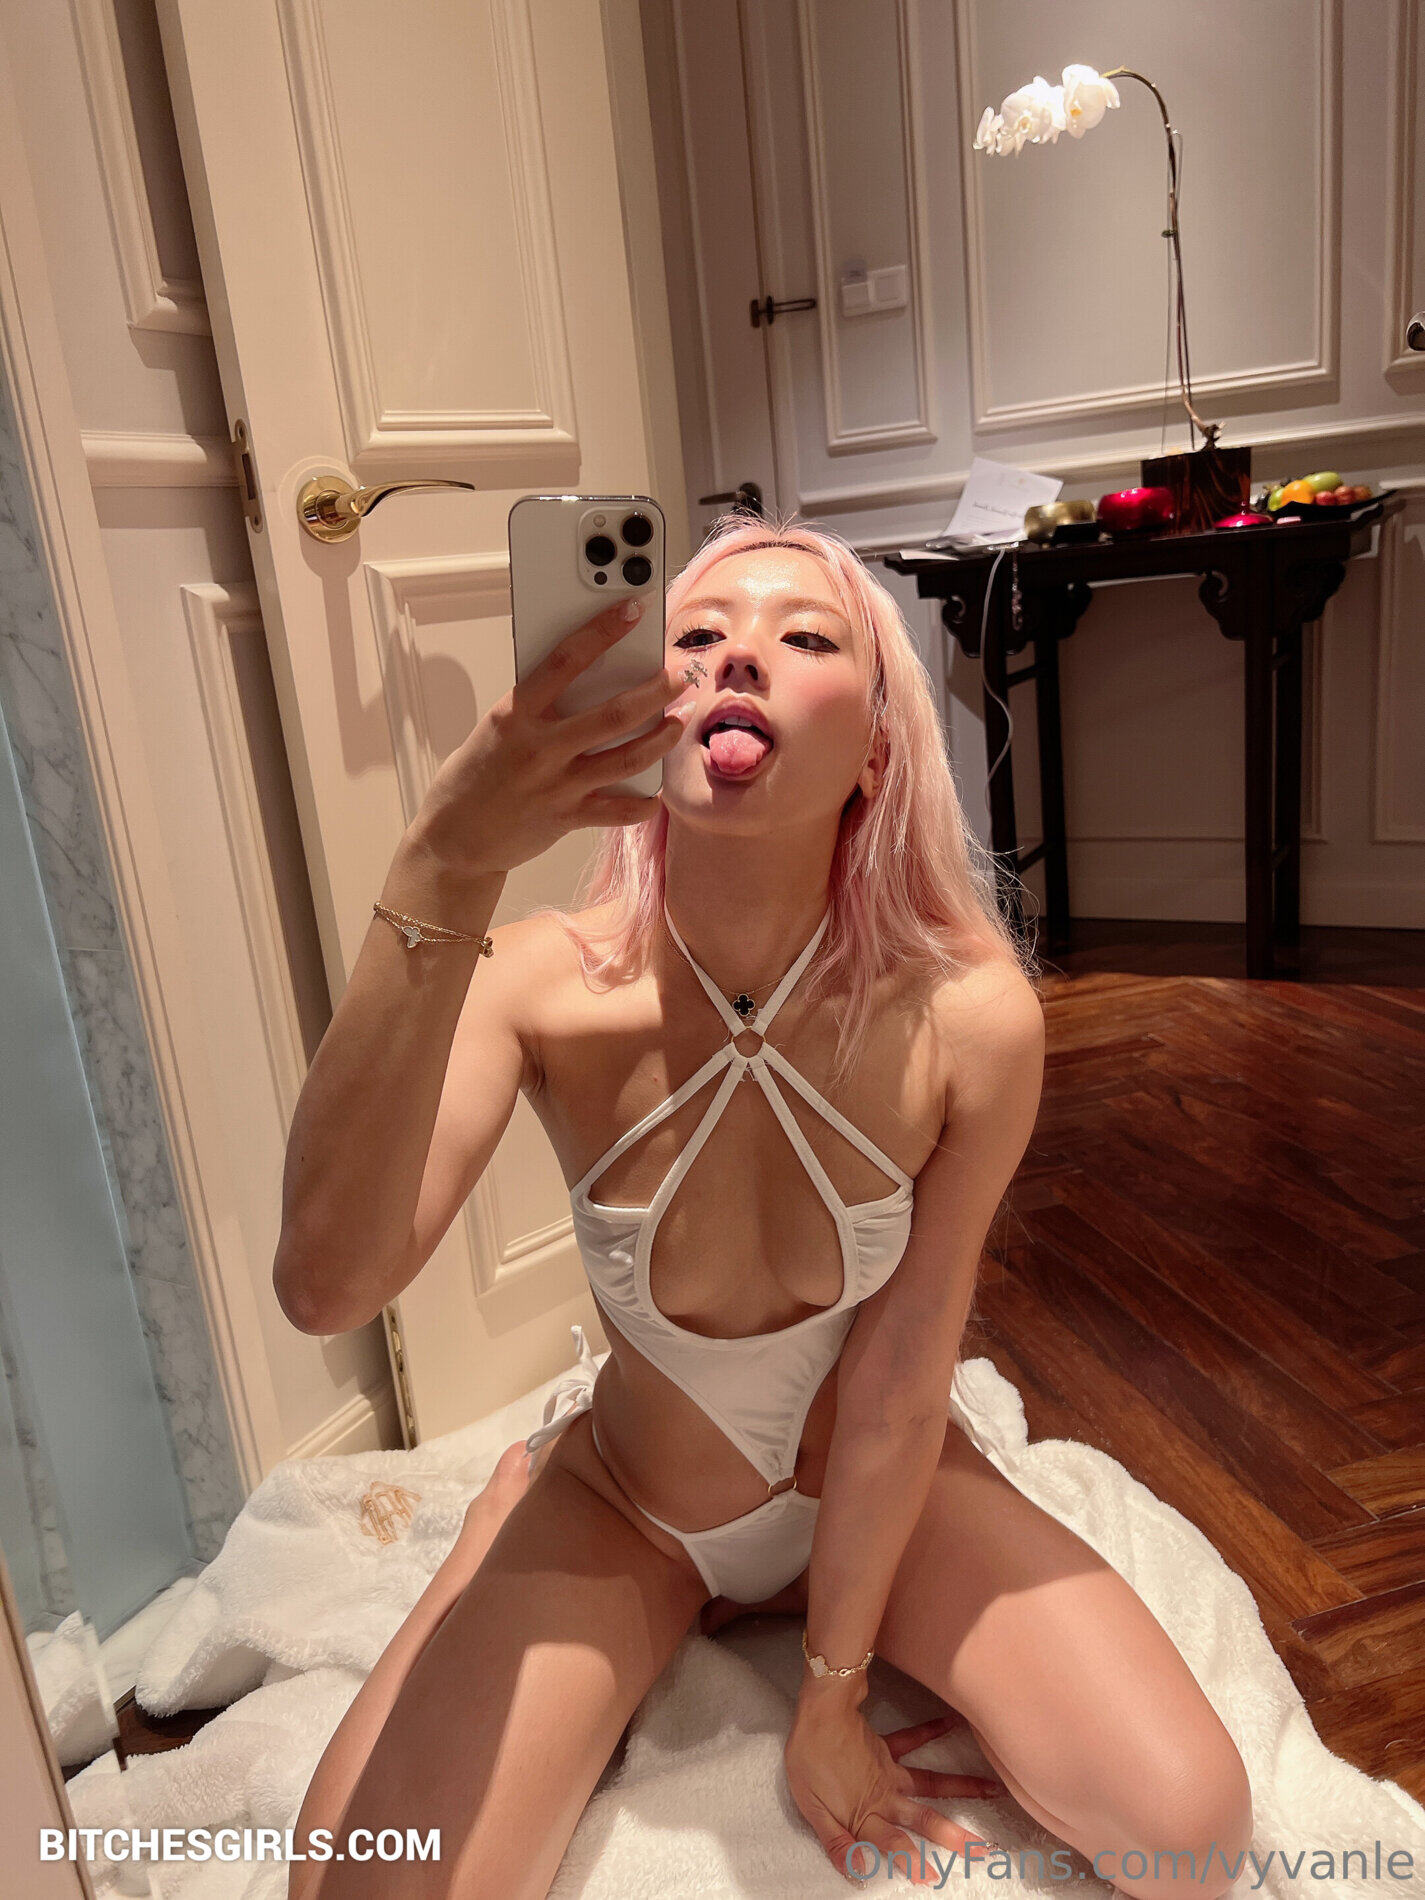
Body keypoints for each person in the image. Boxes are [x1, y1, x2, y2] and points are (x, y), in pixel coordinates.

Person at [276, 511, 1253, 1899]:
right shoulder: (535, 982)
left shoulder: (969, 1017)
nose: (739, 658)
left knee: (1192, 1834)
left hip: (880, 1485)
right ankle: (508, 1509)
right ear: (641, 711)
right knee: (352, 1885)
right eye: (695, 636)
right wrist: (446, 857)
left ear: (876, 749)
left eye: (803, 637)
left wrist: (829, 1696)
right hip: (629, 1506)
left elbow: (902, 1381)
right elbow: (325, 1287)